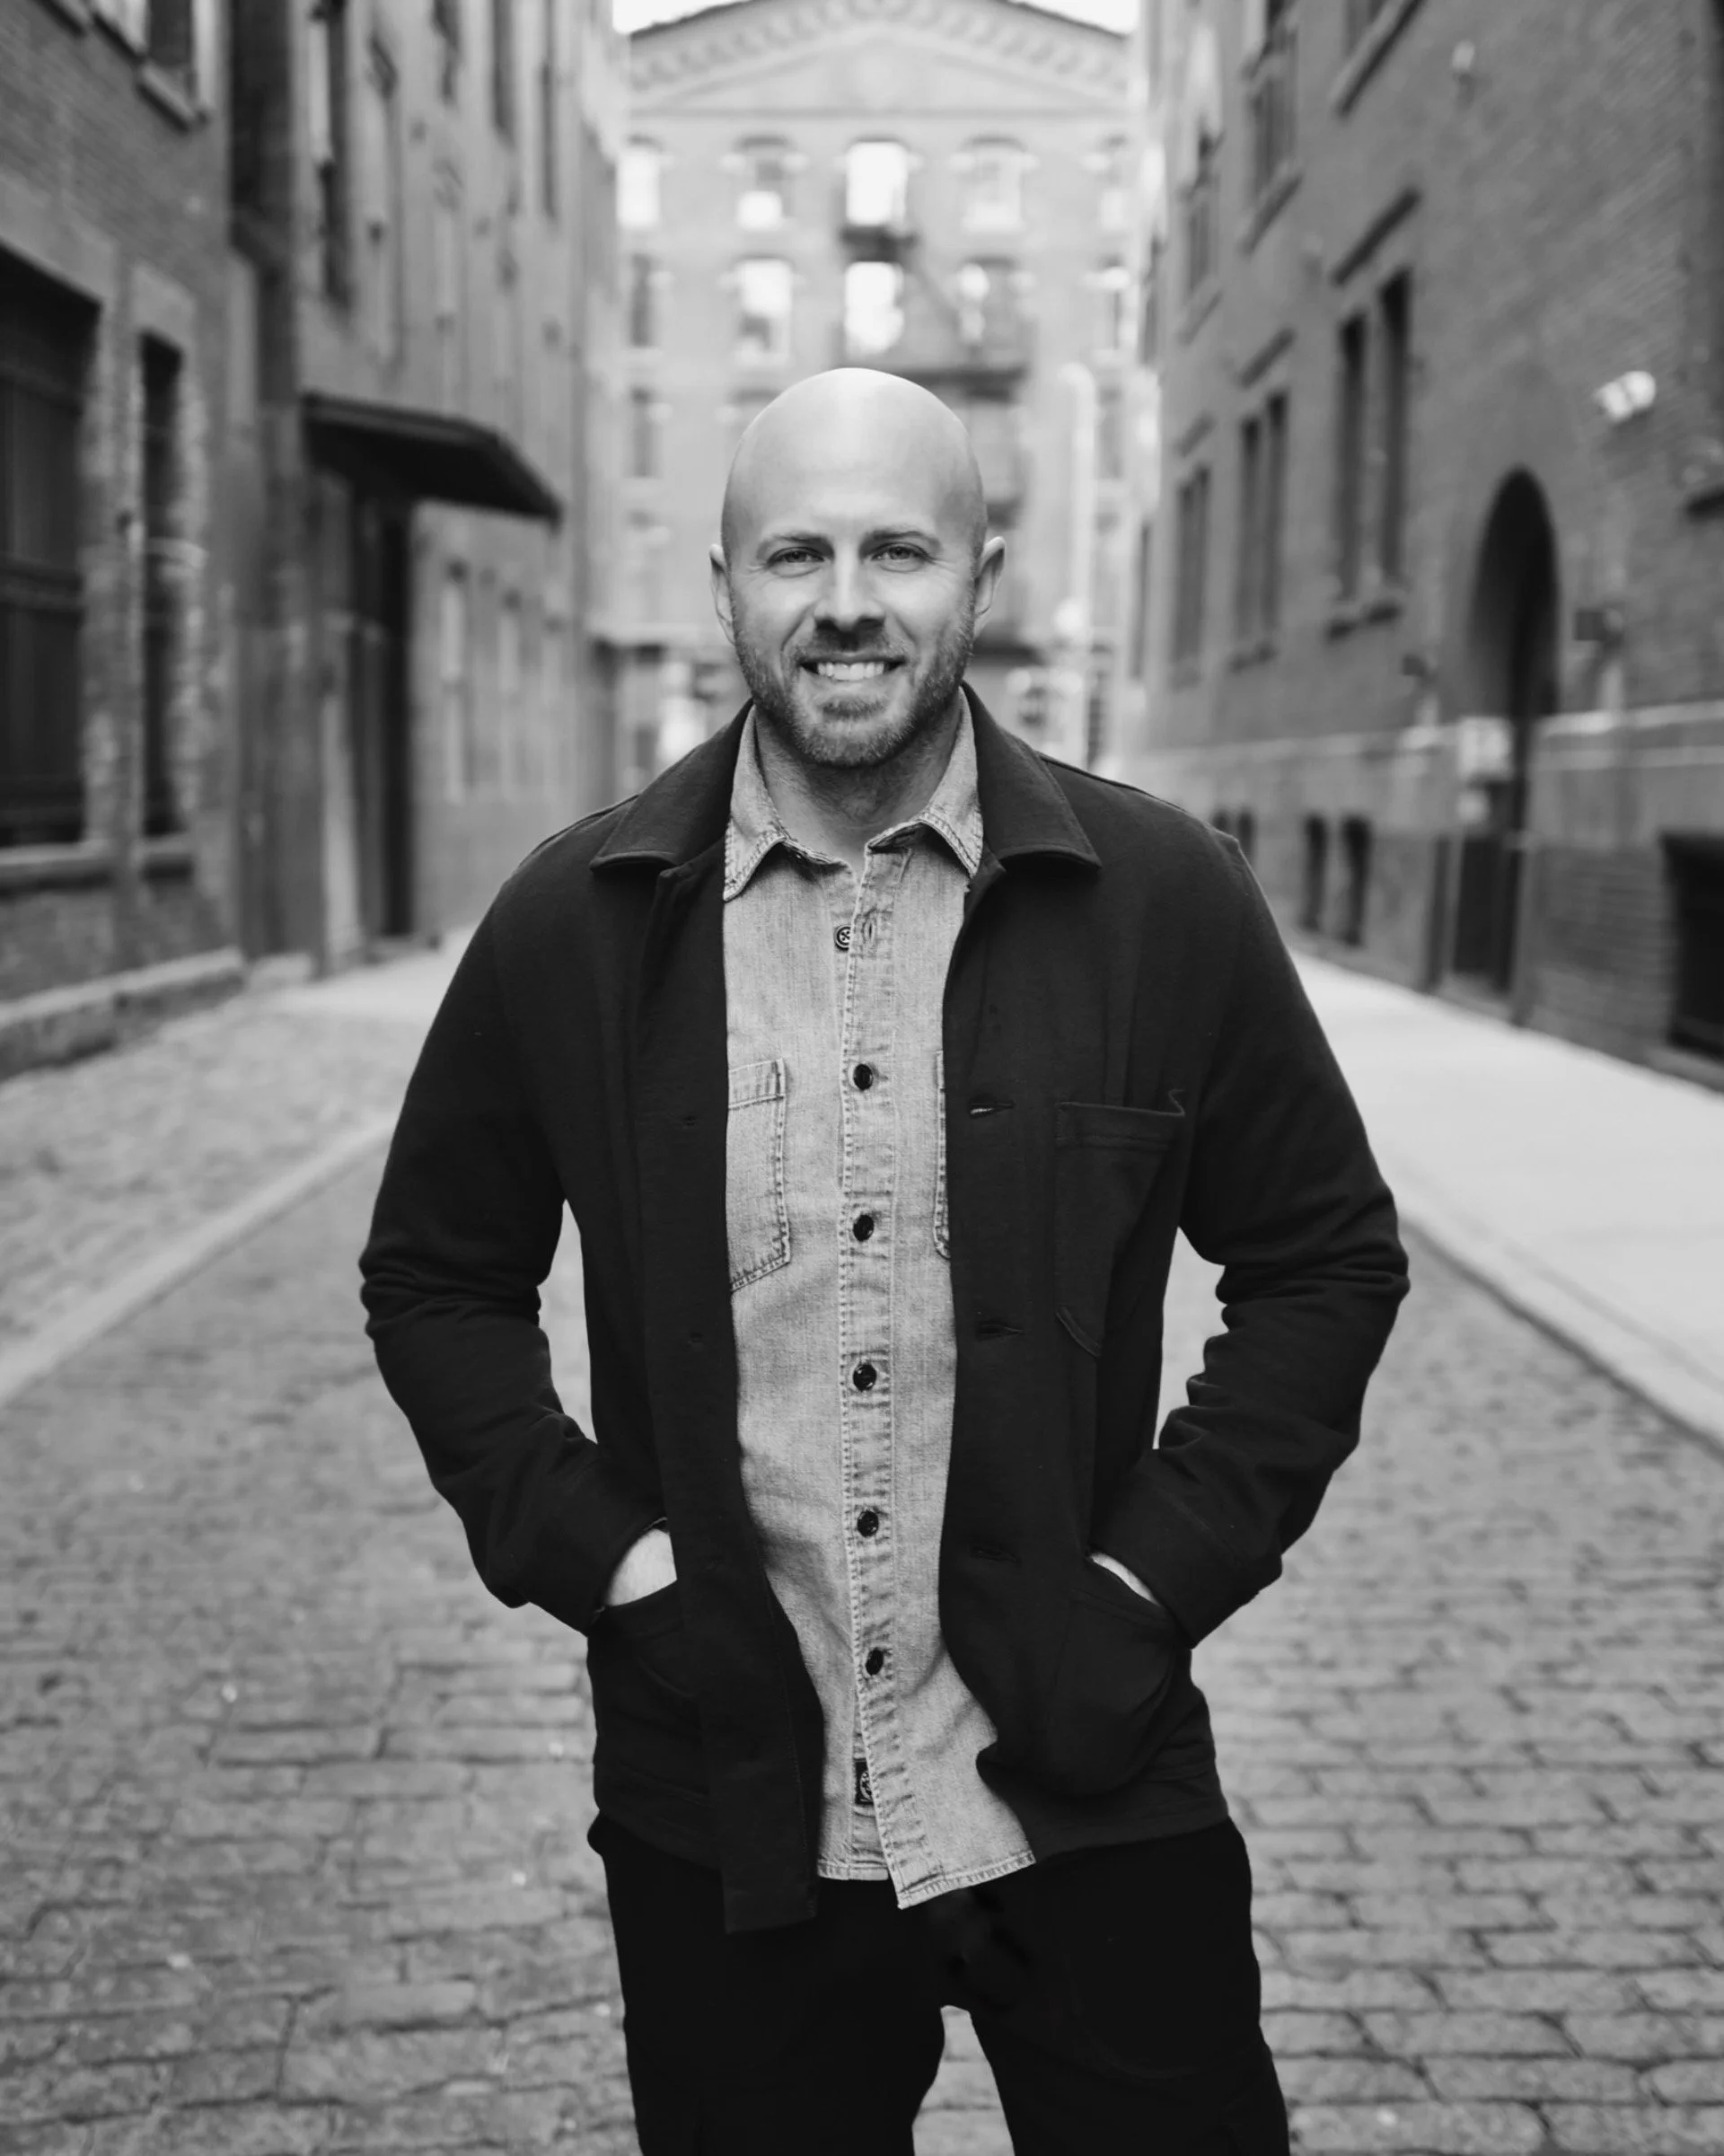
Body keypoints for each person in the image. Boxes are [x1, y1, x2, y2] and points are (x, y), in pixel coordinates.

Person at [360, 368, 1409, 2153]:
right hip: (727, 1796)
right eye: (797, 550)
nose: (846, 597)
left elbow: (1322, 1258)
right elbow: (436, 1278)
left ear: (980, 577)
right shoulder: (573, 920)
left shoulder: (1165, 899)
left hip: (1086, 1770)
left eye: (898, 547)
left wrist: (1149, 1586)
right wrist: (614, 1571)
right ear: (726, 589)